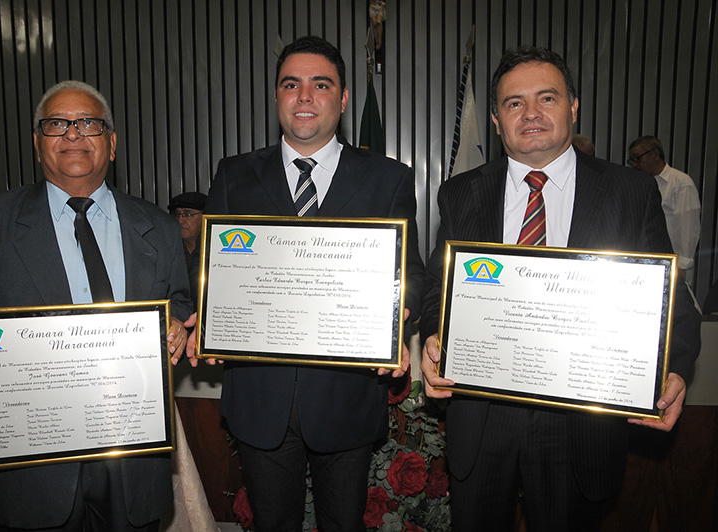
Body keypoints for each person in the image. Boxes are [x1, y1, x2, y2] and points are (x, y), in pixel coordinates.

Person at [420, 46, 700, 531]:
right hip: (483, 415)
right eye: (514, 103)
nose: (530, 114)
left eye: (546, 98)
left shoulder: (629, 191)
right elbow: (434, 291)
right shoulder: (461, 193)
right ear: (495, 118)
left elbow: (669, 299)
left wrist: (673, 369)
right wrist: (428, 336)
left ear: (572, 107)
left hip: (580, 423)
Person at [0, 80, 195, 531]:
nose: (73, 133)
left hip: (132, 458)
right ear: (37, 143)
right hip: (30, 470)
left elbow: (178, 301)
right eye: (56, 124)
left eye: (88, 123)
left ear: (111, 142)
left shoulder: (159, 227)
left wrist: (175, 326)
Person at [200, 36, 424, 532]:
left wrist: (397, 315)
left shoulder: (387, 179)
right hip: (260, 400)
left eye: (320, 85)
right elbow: (213, 271)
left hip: (346, 397)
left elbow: (411, 273)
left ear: (343, 99)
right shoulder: (234, 175)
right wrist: (208, 316)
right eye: (291, 85)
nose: (304, 97)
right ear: (277, 96)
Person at [628, 135, 701, 284]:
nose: (634, 165)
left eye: (637, 158)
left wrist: (681, 267)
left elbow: (688, 227)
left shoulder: (680, 183)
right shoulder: (639, 184)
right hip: (645, 266)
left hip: (674, 266)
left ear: (655, 155)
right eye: (631, 160)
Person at [167, 191, 208, 302]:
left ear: (204, 217)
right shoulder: (168, 250)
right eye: (177, 214)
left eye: (188, 214)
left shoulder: (215, 251)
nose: (180, 220)